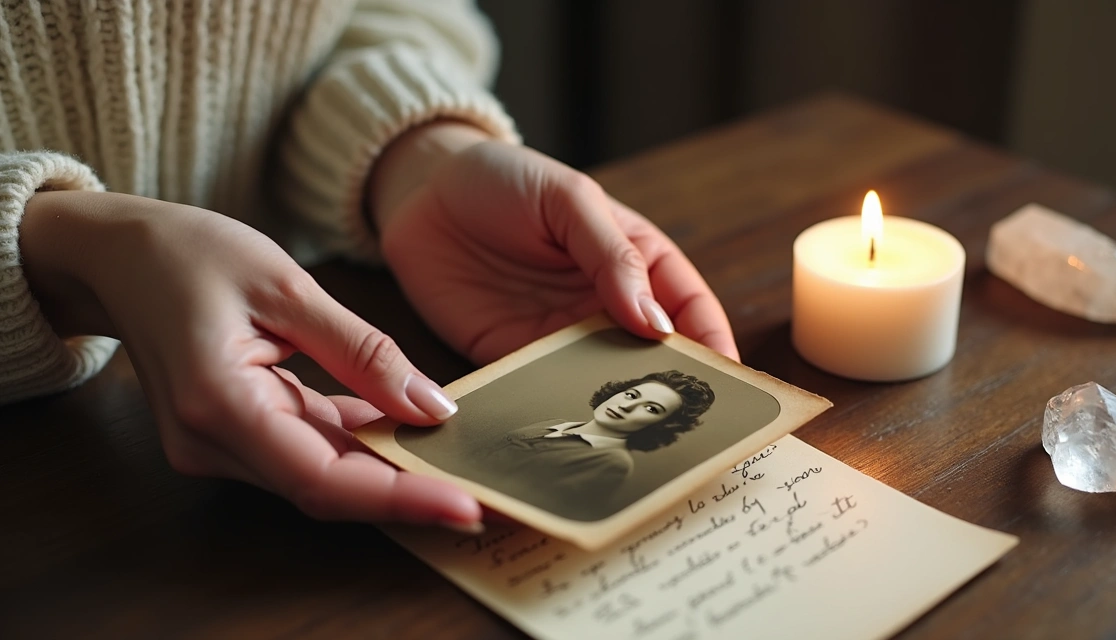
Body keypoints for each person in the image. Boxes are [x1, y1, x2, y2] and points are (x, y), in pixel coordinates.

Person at [0, 1, 736, 535]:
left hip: (287, 305)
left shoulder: (600, 465)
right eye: (636, 394)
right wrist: (66, 252)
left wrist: (417, 157)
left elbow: (381, 13)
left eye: (648, 411)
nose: (630, 407)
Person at [485, 371, 715, 521]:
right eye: (631, 395)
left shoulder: (612, 462)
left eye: (651, 409)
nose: (626, 406)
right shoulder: (554, 423)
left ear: (663, 425)